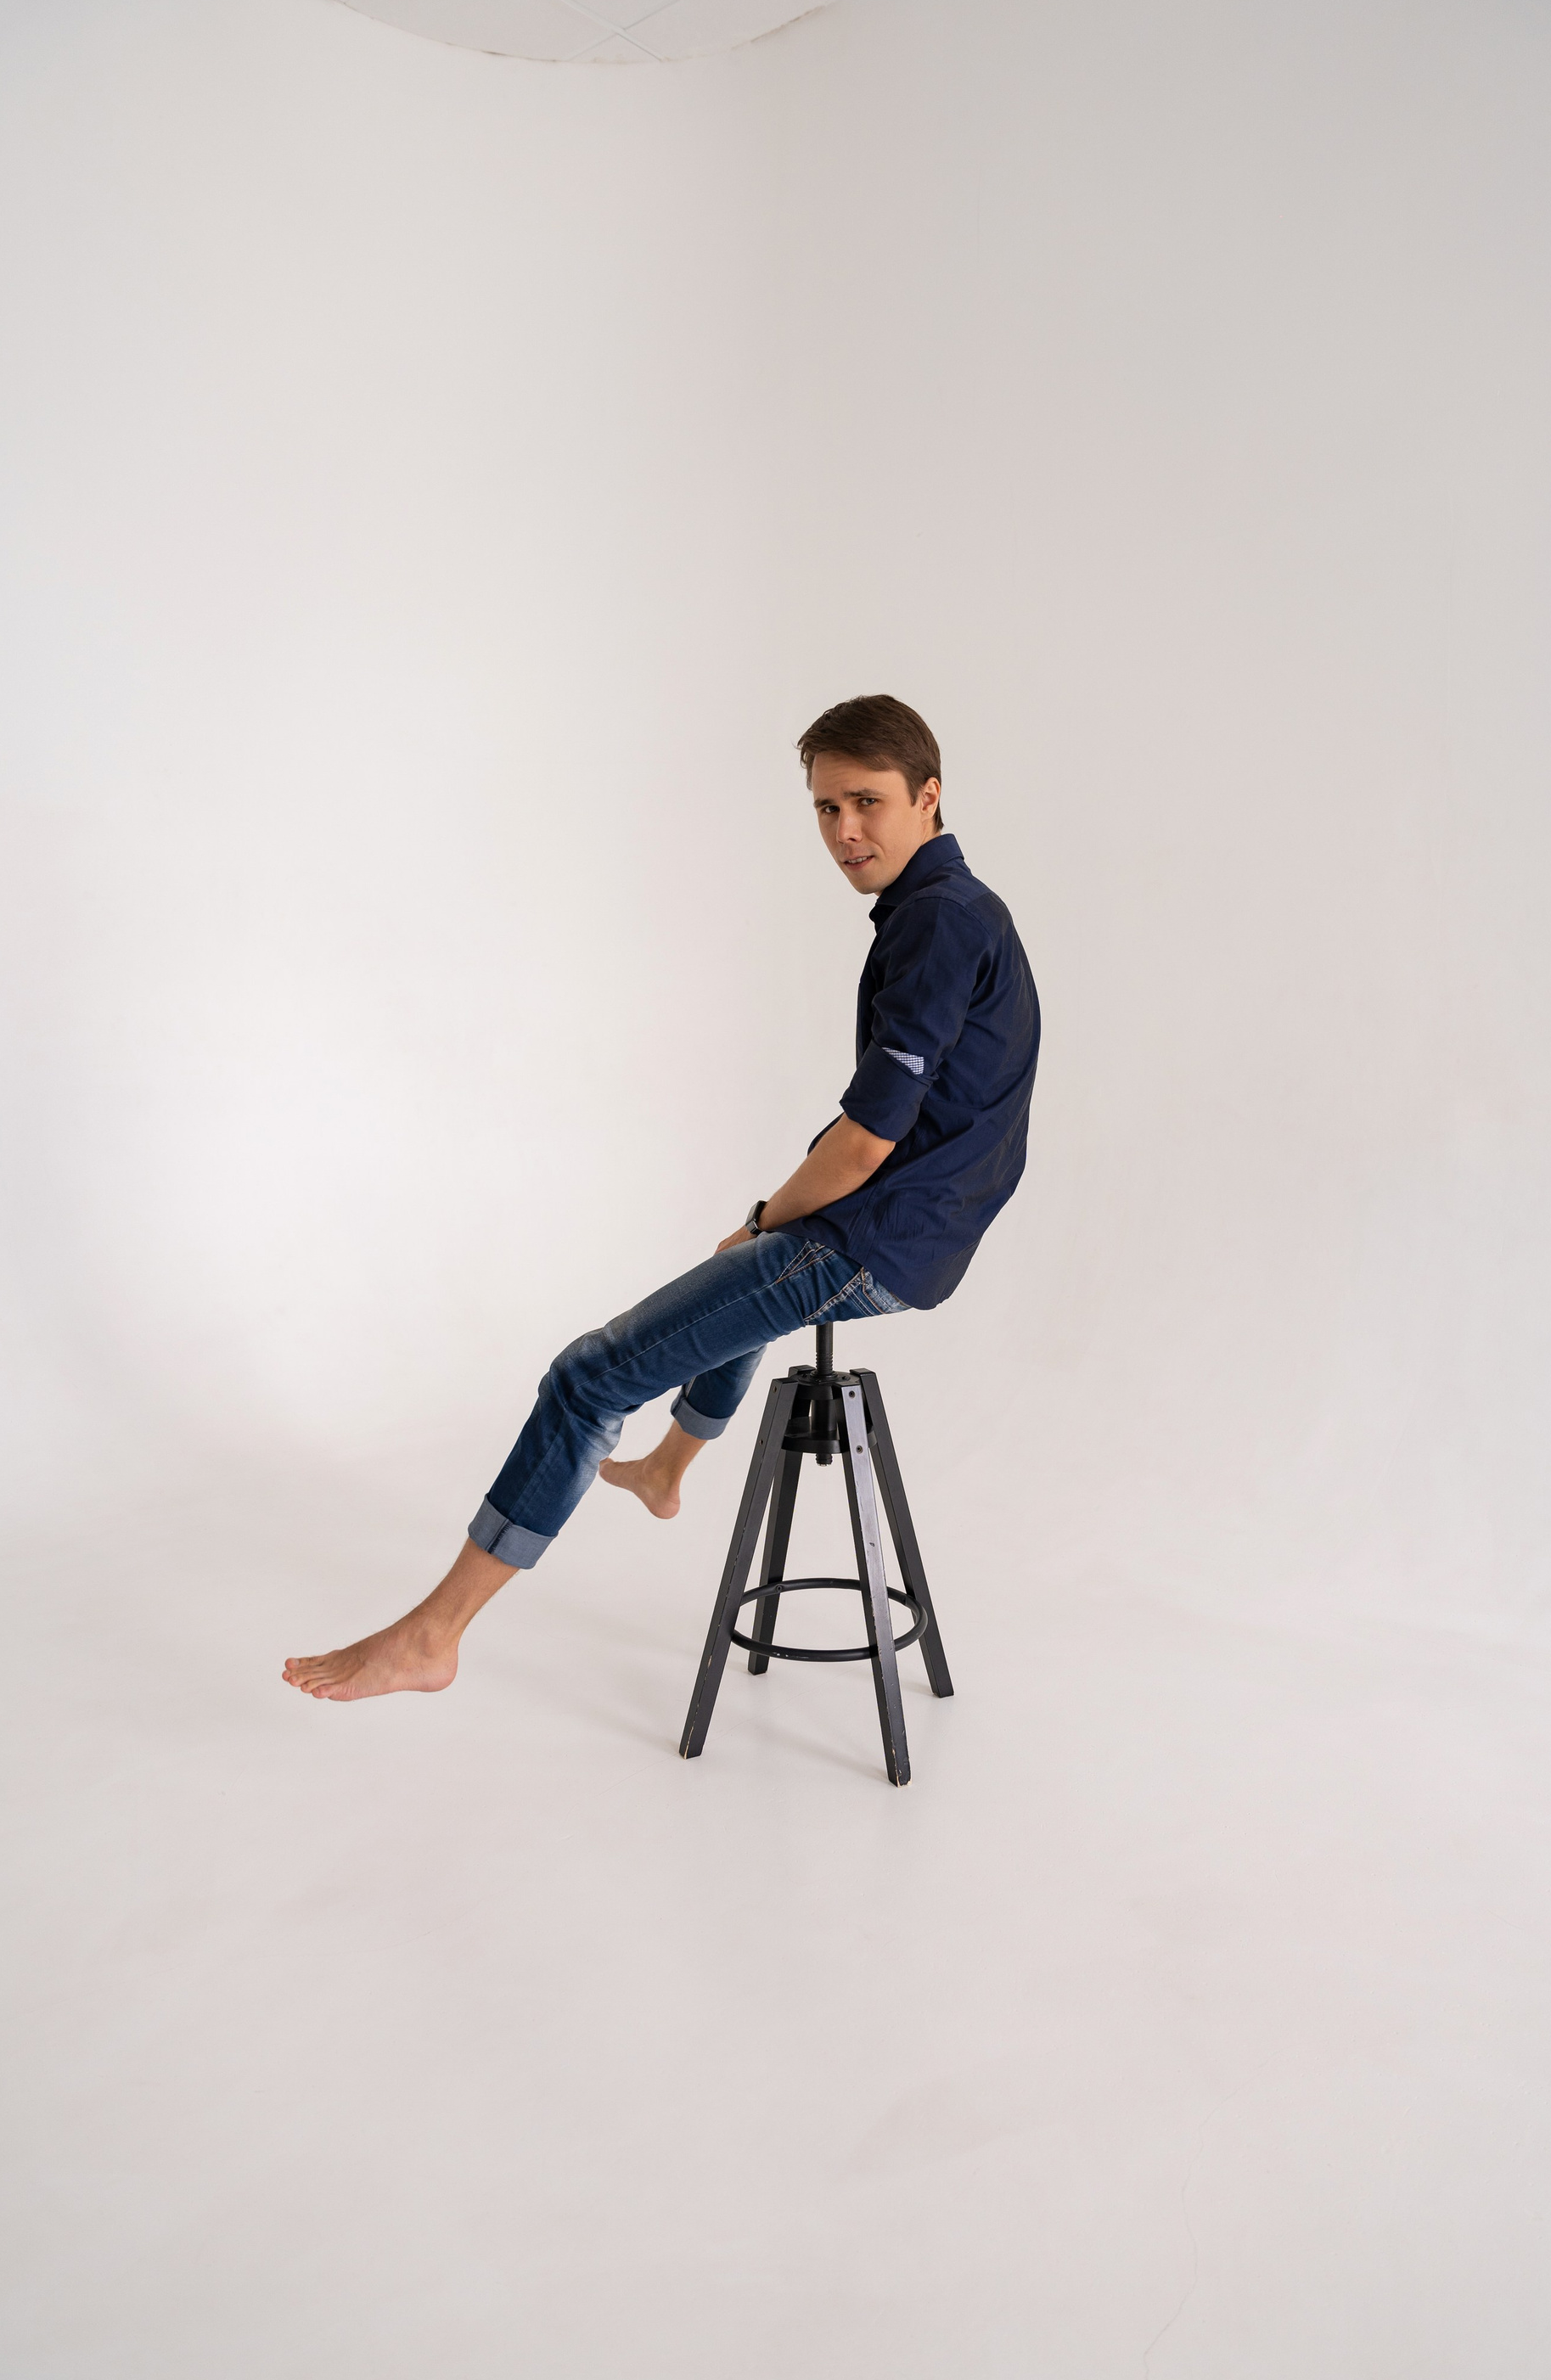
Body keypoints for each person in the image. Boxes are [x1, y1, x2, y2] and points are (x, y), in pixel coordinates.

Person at [283, 695, 1040, 1701]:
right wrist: (767, 1228)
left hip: (880, 1239)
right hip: (921, 1237)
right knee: (750, 1271)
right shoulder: (957, 909)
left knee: (588, 1378)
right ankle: (669, 1469)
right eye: (825, 808)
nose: (845, 831)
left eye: (867, 802)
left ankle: (434, 1635)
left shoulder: (939, 922)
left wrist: (769, 1218)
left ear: (928, 797)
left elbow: (866, 1142)